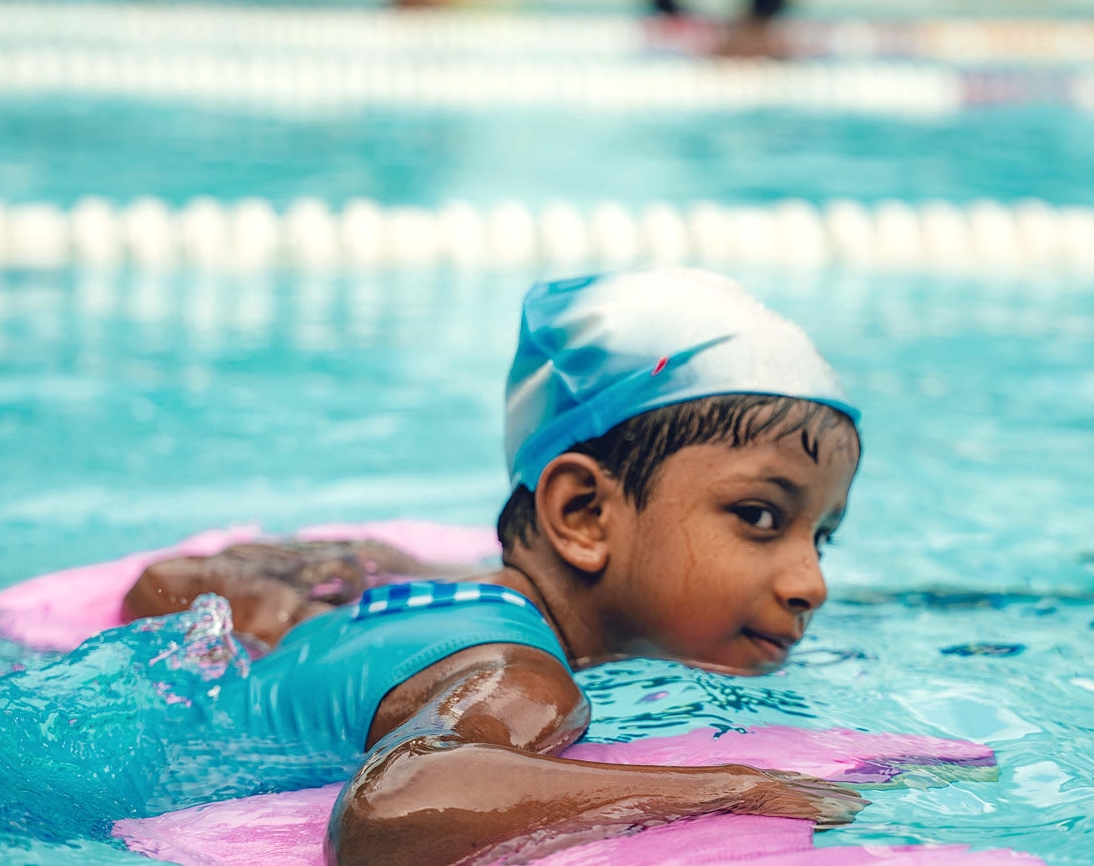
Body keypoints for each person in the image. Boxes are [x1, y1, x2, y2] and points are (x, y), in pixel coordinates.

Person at [124, 268, 867, 866]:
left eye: (822, 538)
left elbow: (163, 589)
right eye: (759, 517)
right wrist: (734, 789)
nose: (811, 585)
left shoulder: (433, 600)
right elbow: (388, 811)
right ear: (582, 514)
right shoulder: (522, 678)